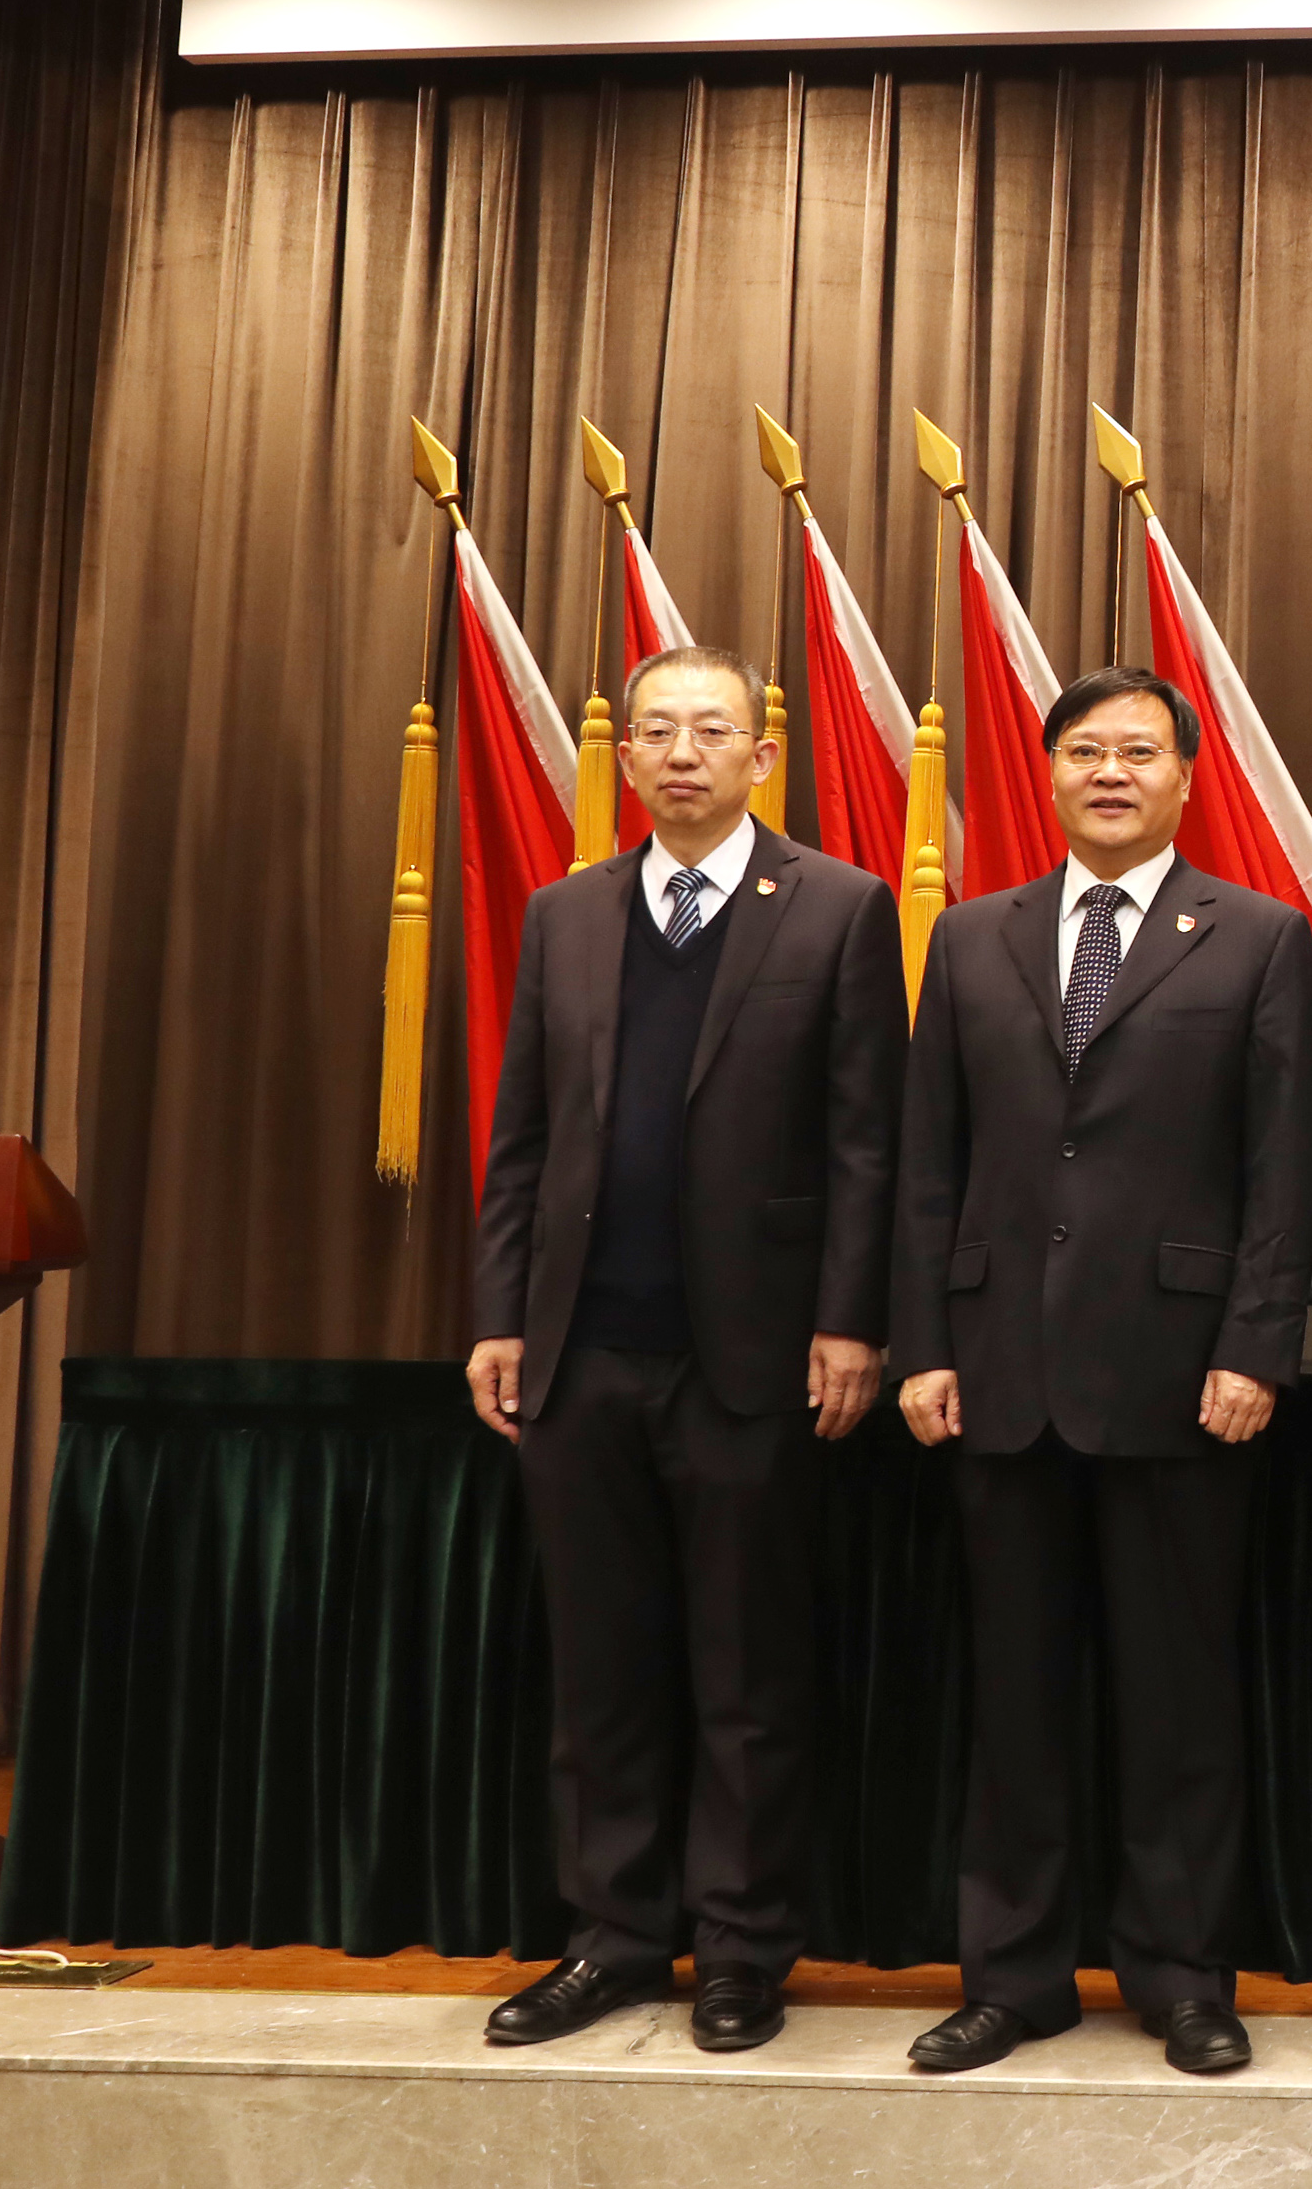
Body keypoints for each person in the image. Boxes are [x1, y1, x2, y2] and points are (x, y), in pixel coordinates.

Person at [465, 644, 904, 2055]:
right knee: (602, 1672)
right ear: (627, 756)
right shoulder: (566, 913)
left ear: (761, 757)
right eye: (656, 731)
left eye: (710, 731)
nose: (680, 755)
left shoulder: (838, 906)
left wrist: (852, 1319)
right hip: (581, 1351)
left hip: (755, 1359)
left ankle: (741, 1950)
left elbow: (866, 1141)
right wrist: (500, 1314)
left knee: (745, 1675)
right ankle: (610, 1939)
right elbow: (523, 1135)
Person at [891, 666, 1312, 2078]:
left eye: (1139, 750)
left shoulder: (1257, 936)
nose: (1111, 772)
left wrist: (1258, 1344)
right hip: (999, 1370)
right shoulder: (972, 936)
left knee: (1178, 1697)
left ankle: (1184, 1975)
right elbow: (927, 1161)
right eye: (1085, 751)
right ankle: (1012, 1978)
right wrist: (923, 1342)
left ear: (1186, 777)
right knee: (1014, 1697)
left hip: (1183, 1377)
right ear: (1050, 773)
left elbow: (1285, 1168)